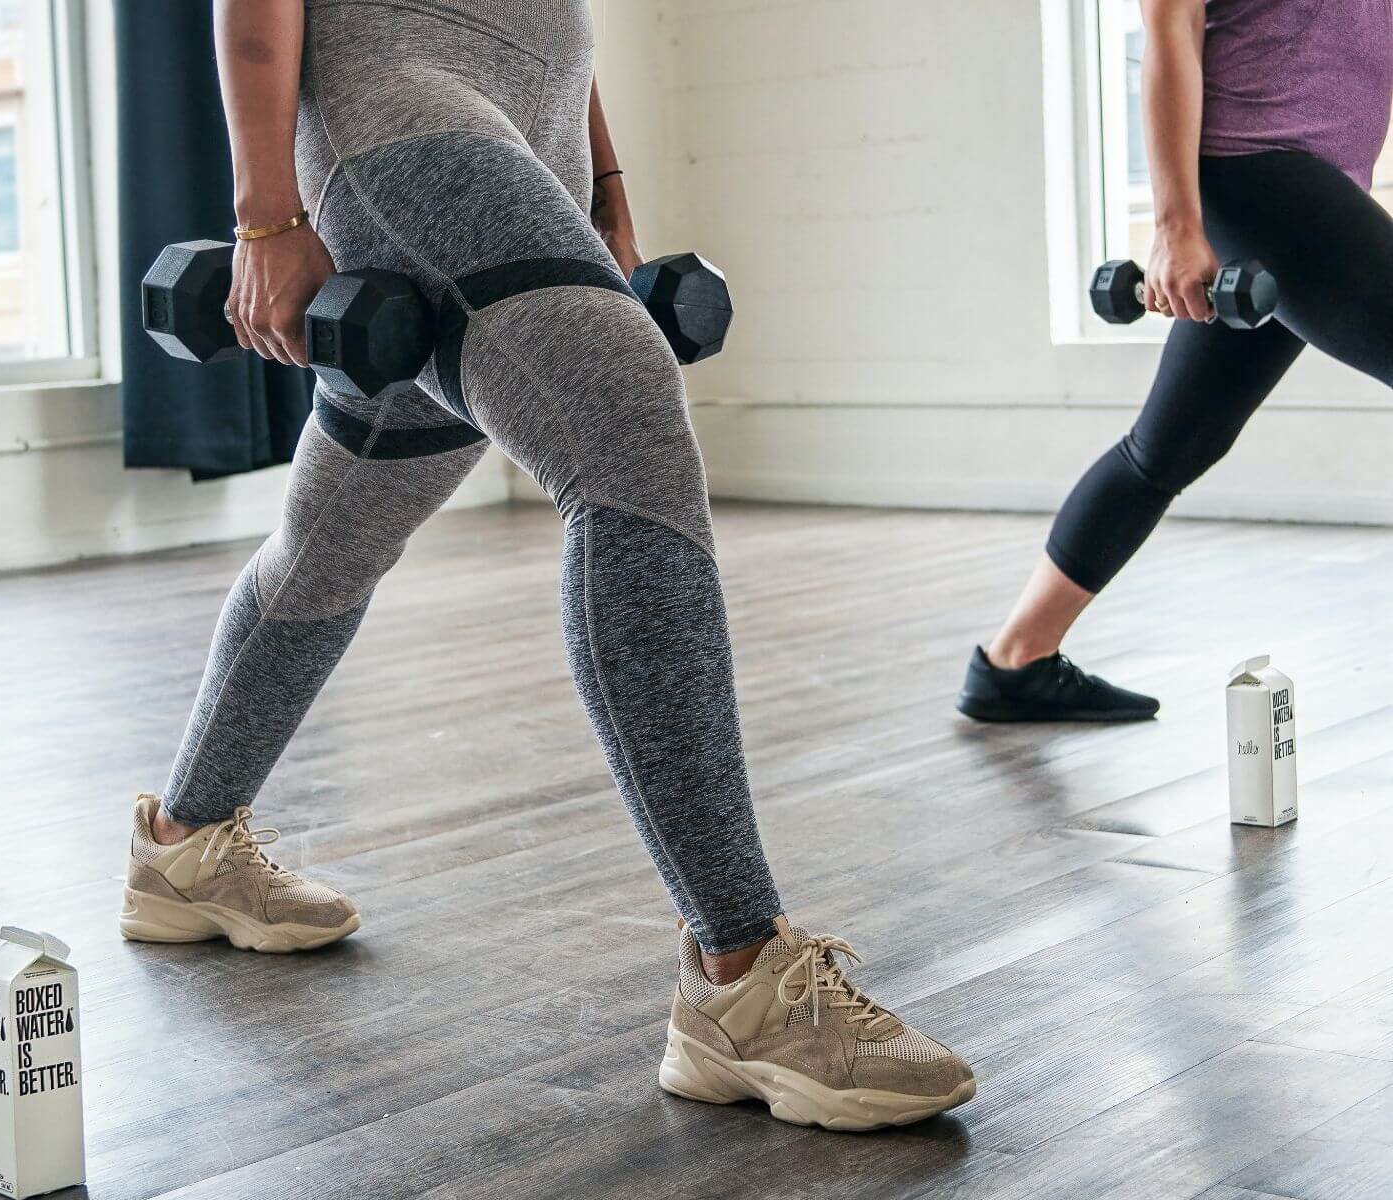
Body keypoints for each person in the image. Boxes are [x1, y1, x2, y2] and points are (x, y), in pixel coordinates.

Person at [117, 0, 974, 1130]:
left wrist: (602, 184)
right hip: (401, 112)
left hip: (530, 125)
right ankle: (740, 978)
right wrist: (266, 216)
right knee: (620, 425)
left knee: (343, 520)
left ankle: (181, 848)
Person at [959, 0, 1393, 723]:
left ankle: (1016, 660)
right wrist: (1176, 226)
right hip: (1261, 175)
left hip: (1315, 187)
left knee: (1170, 444)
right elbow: (1170, 28)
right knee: (1167, 446)